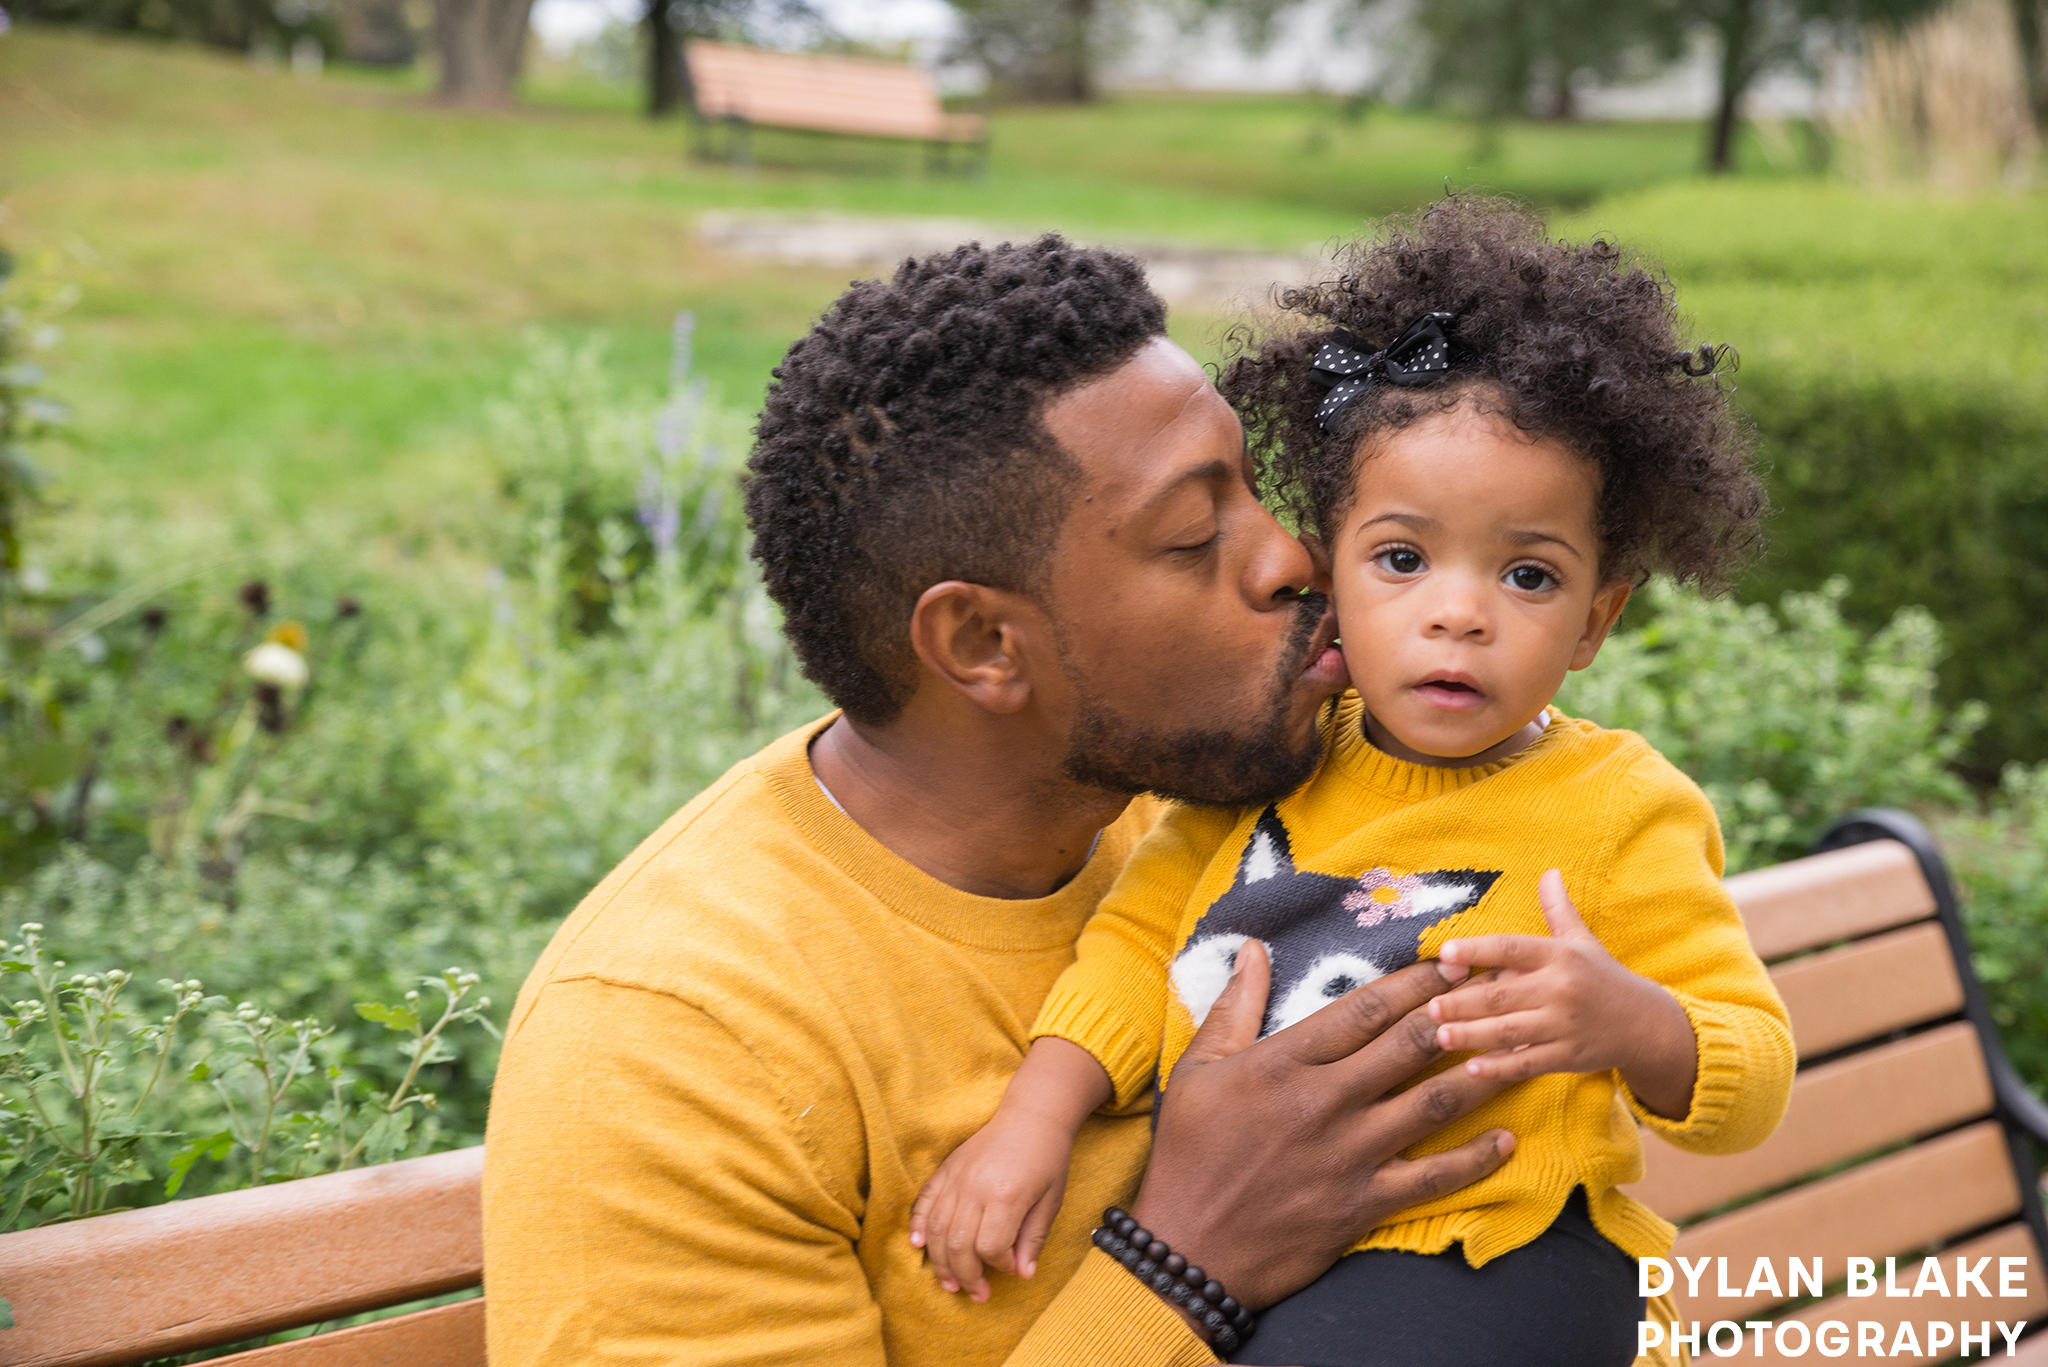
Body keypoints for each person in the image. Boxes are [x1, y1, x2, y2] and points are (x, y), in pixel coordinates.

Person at [481, 234, 1524, 1367]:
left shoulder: (1235, 799)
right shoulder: (677, 1044)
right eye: (1190, 533)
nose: (1290, 556)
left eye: (1253, 486)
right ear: (981, 642)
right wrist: (1183, 1262)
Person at [908, 197, 1796, 1367]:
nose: (1457, 610)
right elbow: (1138, 952)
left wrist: (1625, 1018)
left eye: (1527, 574)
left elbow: (1752, 1073)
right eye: (1400, 557)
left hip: (1500, 1251)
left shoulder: (1618, 809)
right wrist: (1030, 1122)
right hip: (1286, 1260)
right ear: (1324, 567)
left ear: (1595, 619)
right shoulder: (1270, 764)